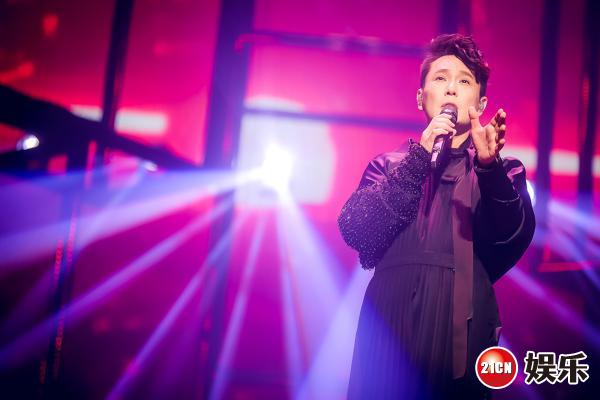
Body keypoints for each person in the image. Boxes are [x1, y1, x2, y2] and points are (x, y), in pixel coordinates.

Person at [337, 34, 536, 399]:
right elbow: (357, 230)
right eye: (440, 78)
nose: (451, 88)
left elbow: (511, 237)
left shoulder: (501, 171)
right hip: (391, 316)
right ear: (420, 97)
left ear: (481, 102)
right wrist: (420, 158)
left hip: (461, 321)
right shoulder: (389, 166)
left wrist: (489, 167)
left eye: (464, 81)